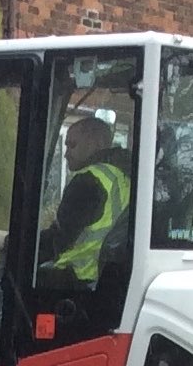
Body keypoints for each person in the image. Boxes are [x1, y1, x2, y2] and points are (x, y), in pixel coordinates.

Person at [37, 116, 131, 285]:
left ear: (97, 144)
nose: (66, 154)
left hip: (75, 280)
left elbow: (58, 241)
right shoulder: (122, 176)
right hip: (104, 281)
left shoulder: (88, 180)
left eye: (72, 145)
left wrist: (11, 243)